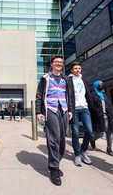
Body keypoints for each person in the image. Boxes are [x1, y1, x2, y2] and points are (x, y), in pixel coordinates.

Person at [35, 55, 73, 186]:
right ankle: (54, 167)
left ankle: (56, 162)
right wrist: (38, 112)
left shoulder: (66, 79)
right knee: (54, 137)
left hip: (64, 109)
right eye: (56, 62)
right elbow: (39, 95)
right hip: (50, 109)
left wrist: (71, 110)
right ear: (51, 64)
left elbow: (70, 95)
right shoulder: (45, 79)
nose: (59, 64)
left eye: (61, 62)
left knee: (62, 139)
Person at [68, 61, 94, 166]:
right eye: (75, 68)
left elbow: (88, 94)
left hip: (84, 108)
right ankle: (77, 154)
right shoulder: (69, 80)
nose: (78, 70)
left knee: (89, 130)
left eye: (79, 68)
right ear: (72, 70)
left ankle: (83, 150)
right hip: (74, 109)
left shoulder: (83, 80)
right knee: (75, 133)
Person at [90, 80, 113, 156]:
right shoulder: (92, 95)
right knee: (101, 133)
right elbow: (92, 107)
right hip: (100, 117)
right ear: (95, 86)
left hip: (108, 116)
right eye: (100, 84)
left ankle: (109, 149)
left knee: (110, 132)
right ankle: (92, 140)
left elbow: (110, 105)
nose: (101, 85)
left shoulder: (104, 94)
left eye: (102, 84)